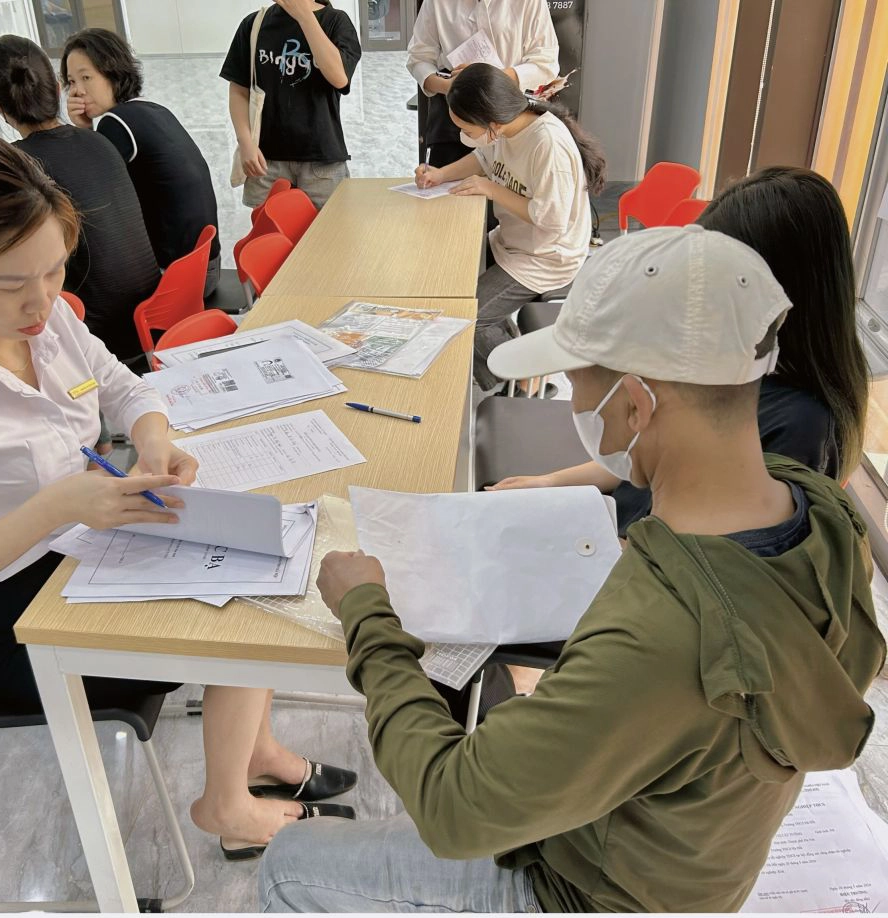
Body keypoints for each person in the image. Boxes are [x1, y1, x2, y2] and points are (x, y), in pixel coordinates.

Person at [256, 225, 885, 912]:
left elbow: (453, 807)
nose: (578, 406)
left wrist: (367, 615)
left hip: (592, 890)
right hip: (691, 855)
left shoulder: (663, 639)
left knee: (290, 864)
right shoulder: (824, 512)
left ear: (638, 404)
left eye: (578, 387)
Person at [0, 130, 356, 857]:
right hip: (11, 616)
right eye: (10, 284)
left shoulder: (51, 320)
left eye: (55, 270)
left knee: (258, 567)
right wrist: (60, 504)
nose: (40, 301)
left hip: (89, 548)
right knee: (235, 621)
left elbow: (123, 386)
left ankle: (253, 753)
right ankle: (227, 805)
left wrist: (153, 437)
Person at [489, 167, 869, 527]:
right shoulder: (726, 354)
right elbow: (645, 451)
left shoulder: (800, 427)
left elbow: (709, 551)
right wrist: (552, 483)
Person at [417, 63, 604, 391]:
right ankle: (509, 350)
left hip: (546, 257)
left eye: (468, 129)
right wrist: (440, 174)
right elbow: (483, 158)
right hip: (513, 243)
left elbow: (553, 220)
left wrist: (492, 189)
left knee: (462, 320)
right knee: (448, 276)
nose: (465, 136)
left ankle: (526, 381)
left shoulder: (546, 144)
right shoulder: (508, 126)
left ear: (492, 123)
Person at [0, 34, 160, 371]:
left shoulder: (17, 166)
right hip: (153, 317)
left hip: (98, 336)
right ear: (56, 88)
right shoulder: (99, 140)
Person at [60, 28, 222, 298]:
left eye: (86, 77)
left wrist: (83, 130)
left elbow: (90, 196)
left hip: (175, 281)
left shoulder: (116, 123)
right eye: (71, 82)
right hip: (206, 266)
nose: (77, 91)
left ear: (113, 73)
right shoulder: (155, 110)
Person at [220, 0, 361, 210]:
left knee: (328, 230)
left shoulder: (335, 21)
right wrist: (246, 143)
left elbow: (339, 78)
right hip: (265, 162)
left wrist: (304, 16)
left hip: (322, 162)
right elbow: (239, 90)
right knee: (270, 230)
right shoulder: (254, 24)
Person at [407, 0, 560, 168]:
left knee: (508, 180)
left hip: (508, 117)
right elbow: (419, 58)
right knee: (443, 181)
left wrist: (491, 80)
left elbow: (546, 63)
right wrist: (449, 86)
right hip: (455, 116)